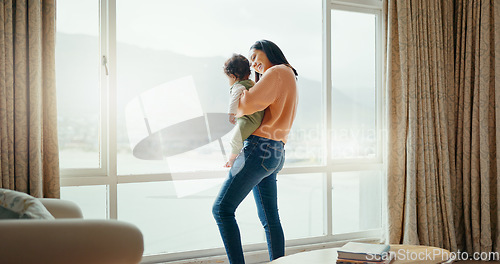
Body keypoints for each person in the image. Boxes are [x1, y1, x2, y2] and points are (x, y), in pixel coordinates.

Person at [212, 40, 298, 264]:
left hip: (259, 149)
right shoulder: (288, 74)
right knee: (270, 217)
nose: (253, 63)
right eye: (250, 60)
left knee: (221, 209)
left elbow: (247, 104)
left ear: (269, 52)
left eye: (255, 57)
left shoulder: (277, 71)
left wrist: (236, 86)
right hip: (276, 151)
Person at [223, 54, 265, 168]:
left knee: (235, 139)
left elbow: (234, 99)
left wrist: (231, 114)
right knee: (240, 138)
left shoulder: (238, 86)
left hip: (248, 120)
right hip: (256, 119)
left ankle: (231, 160)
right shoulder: (252, 84)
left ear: (233, 76)